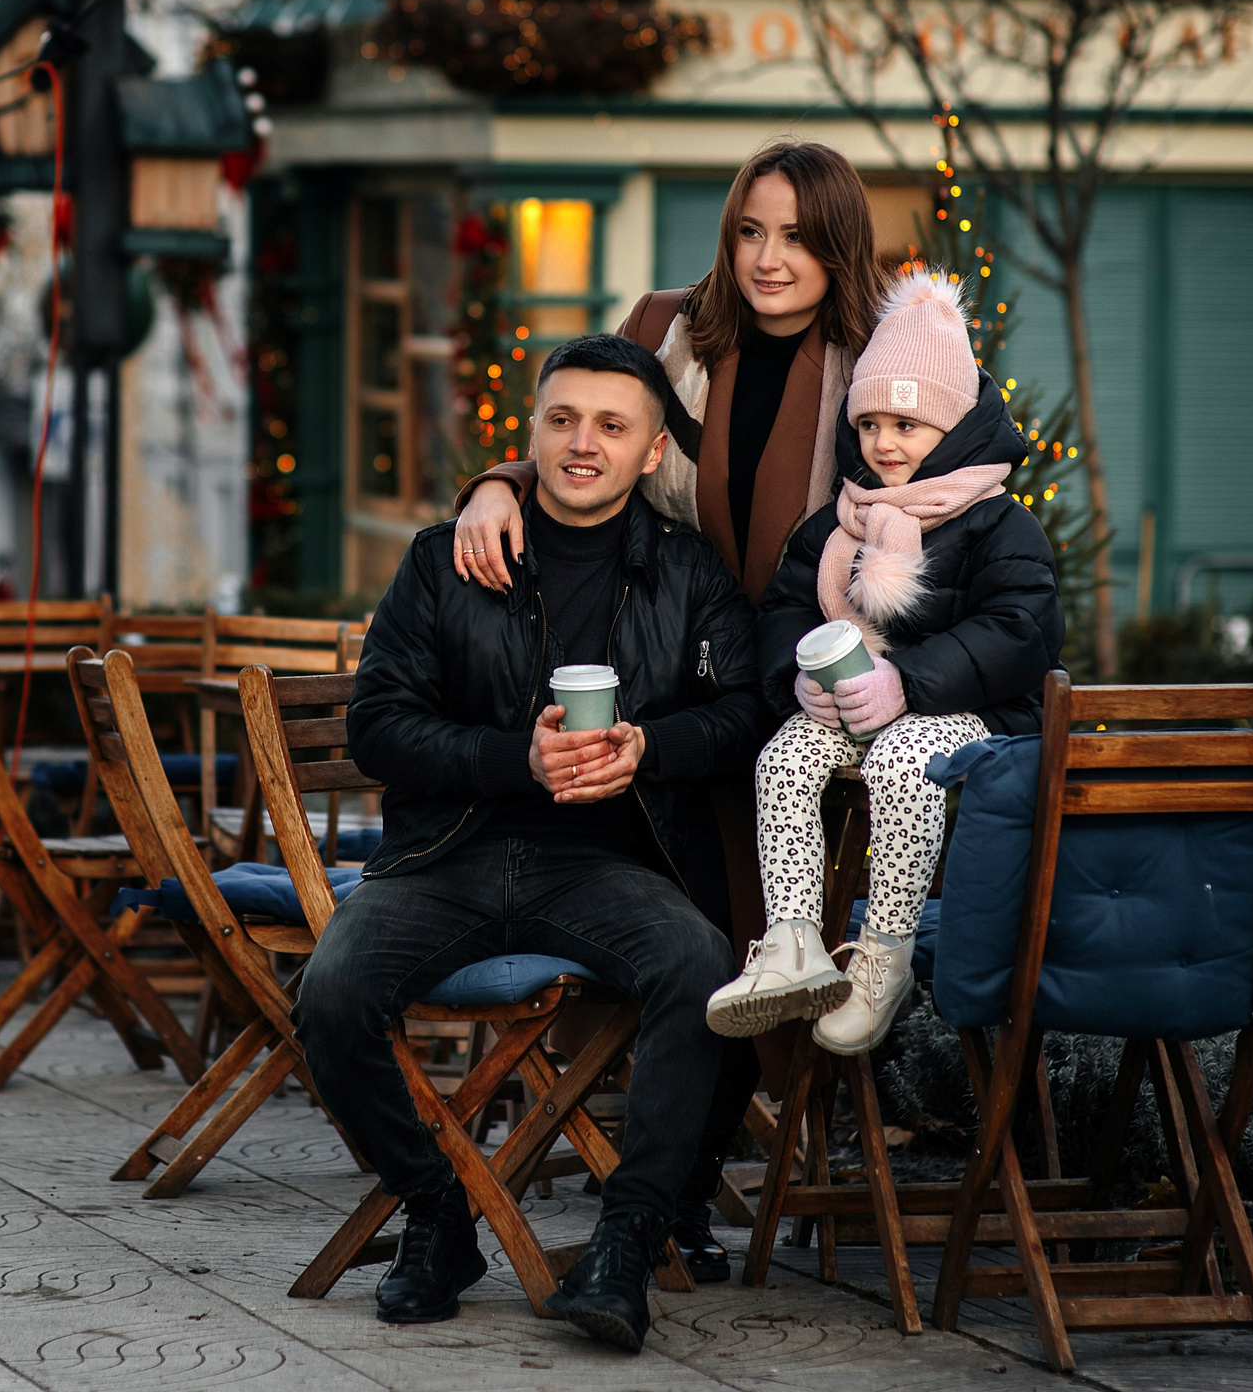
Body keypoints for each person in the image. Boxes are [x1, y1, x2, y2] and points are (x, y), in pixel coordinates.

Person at [445, 138, 890, 1277]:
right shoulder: (668, 329)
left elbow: (949, 487)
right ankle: (676, 1198)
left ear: (837, 240)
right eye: (749, 230)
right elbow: (577, 438)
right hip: (670, 678)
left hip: (803, 688)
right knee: (715, 932)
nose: (767, 258)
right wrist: (493, 486)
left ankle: (708, 1189)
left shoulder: (885, 355)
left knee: (776, 938)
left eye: (793, 234)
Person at [301, 334, 768, 1352]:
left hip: (605, 865)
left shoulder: (689, 574)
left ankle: (626, 1242)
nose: (582, 444)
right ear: (532, 433)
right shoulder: (446, 558)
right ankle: (435, 1213)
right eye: (561, 420)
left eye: (611, 425)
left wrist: (646, 746)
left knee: (698, 969)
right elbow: (377, 726)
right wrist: (517, 760)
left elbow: (745, 713)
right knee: (331, 991)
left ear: (651, 452)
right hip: (446, 856)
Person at [713, 271, 1063, 1054]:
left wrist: (908, 681)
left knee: (907, 760)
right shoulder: (838, 522)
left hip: (975, 722)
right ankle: (796, 941)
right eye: (869, 424)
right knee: (785, 758)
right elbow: (786, 608)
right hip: (851, 712)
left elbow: (1019, 631)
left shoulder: (996, 524)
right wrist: (797, 676)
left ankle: (886, 952)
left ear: (954, 427)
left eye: (907, 424)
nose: (884, 443)